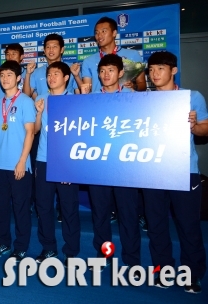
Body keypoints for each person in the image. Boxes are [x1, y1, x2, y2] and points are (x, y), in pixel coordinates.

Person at [143, 51, 207, 293]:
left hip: (184, 170)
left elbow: (205, 130)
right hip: (151, 171)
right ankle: (163, 270)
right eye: (151, 69)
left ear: (173, 70)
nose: (155, 73)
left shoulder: (191, 97)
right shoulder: (143, 100)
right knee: (156, 224)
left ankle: (192, 274)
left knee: (188, 224)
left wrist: (195, 125)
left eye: (160, 68)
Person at [82, 54, 141, 273]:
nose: (106, 75)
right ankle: (104, 254)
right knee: (101, 214)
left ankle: (132, 259)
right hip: (98, 167)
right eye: (102, 71)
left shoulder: (133, 97)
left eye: (111, 70)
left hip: (126, 167)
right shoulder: (91, 99)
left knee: (128, 214)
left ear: (120, 73)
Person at [33, 61, 81, 265]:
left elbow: (80, 133)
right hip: (43, 159)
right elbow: (35, 130)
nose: (51, 78)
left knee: (69, 208)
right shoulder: (42, 98)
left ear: (66, 78)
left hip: (66, 163)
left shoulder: (75, 100)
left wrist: (71, 167)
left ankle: (71, 250)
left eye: (56, 74)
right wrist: (38, 112)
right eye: (49, 74)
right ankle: (49, 248)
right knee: (43, 207)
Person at [0, 60, 35, 260]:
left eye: (9, 75)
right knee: (1, 208)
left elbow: (30, 133)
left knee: (21, 209)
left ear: (18, 78)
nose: (5, 79)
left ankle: (21, 246)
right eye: (2, 75)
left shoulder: (25, 101)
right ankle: (2, 243)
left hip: (18, 165)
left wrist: (23, 161)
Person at [76, 16, 146, 93]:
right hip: (98, 103)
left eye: (103, 31)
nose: (99, 36)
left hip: (125, 101)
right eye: (97, 32)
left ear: (114, 33)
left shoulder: (133, 55)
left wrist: (134, 86)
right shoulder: (88, 61)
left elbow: (142, 85)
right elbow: (87, 91)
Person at [24, 34, 78, 99]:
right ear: (44, 50)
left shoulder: (72, 69)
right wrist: (28, 74)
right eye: (48, 47)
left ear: (62, 49)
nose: (51, 50)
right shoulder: (36, 72)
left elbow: (78, 93)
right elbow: (26, 95)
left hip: (67, 106)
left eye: (55, 47)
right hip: (43, 108)